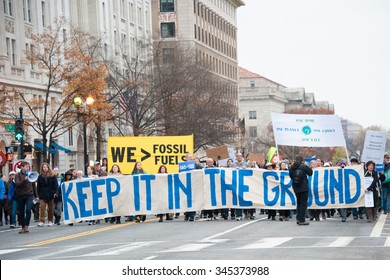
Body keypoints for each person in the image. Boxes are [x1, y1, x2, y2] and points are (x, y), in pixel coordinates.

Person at [14, 162, 38, 233]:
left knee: (28, 210)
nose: (27, 168)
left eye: (28, 167)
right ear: (21, 167)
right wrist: (24, 180)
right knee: (21, 212)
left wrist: (36, 195)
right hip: (20, 195)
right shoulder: (18, 175)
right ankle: (23, 226)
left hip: (29, 195)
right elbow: (17, 184)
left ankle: (27, 225)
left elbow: (34, 186)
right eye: (26, 166)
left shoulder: (31, 174)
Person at [289, 155, 313, 225]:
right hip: (303, 186)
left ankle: (298, 218)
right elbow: (310, 173)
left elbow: (290, 176)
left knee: (298, 202)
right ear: (302, 160)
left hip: (295, 186)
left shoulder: (291, 167)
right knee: (303, 203)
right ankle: (302, 220)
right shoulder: (303, 166)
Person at [231, 152, 250, 221]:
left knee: (244, 199)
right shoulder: (232, 165)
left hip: (244, 184)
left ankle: (246, 211)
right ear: (236, 157)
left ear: (242, 157)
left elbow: (251, 173)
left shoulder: (246, 165)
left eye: (240, 156)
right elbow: (229, 174)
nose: (239, 157)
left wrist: (246, 170)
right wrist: (234, 170)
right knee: (237, 198)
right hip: (235, 184)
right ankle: (238, 214)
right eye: (238, 156)